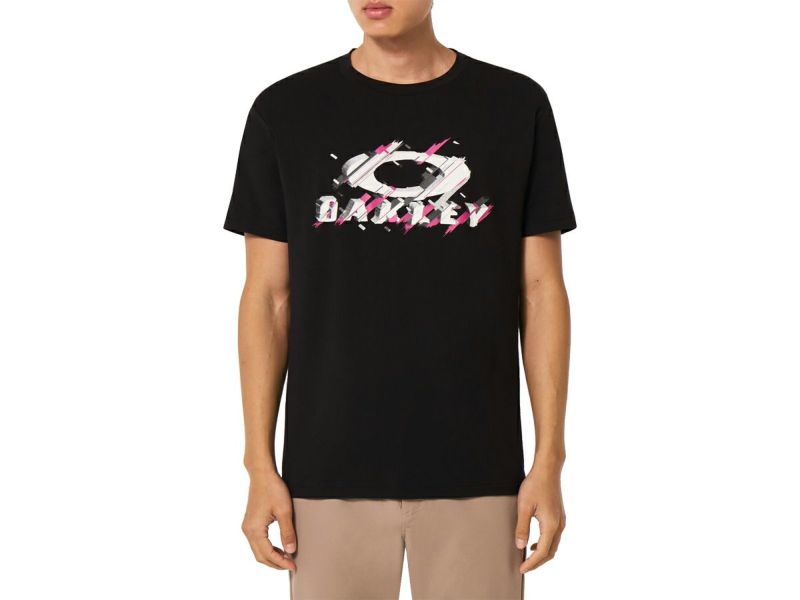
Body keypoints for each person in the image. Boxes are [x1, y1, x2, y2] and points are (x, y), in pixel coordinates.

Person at [224, 1, 575, 598]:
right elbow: (267, 299)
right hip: (327, 470)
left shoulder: (515, 106)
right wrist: (259, 465)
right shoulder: (286, 110)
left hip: (479, 467)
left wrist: (549, 461)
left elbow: (541, 293)